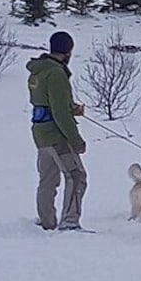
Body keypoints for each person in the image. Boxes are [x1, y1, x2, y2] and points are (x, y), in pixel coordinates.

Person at [27, 31, 88, 231]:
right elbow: (60, 112)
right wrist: (76, 139)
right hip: (56, 135)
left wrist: (72, 108)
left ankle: (47, 221)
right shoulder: (56, 73)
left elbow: (47, 102)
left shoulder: (38, 71)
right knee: (77, 175)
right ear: (68, 51)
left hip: (41, 134)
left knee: (48, 178)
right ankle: (70, 221)